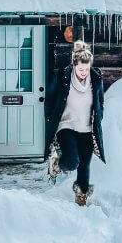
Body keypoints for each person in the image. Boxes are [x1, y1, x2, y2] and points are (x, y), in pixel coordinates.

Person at [44, 40, 105, 206]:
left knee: (84, 166)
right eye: (80, 69)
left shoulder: (96, 78)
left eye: (86, 69)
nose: (83, 73)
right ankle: (56, 163)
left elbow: (100, 102)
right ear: (74, 65)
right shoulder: (63, 76)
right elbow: (50, 98)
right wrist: (51, 116)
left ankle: (81, 198)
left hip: (87, 129)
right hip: (67, 126)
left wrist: (99, 116)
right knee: (72, 161)